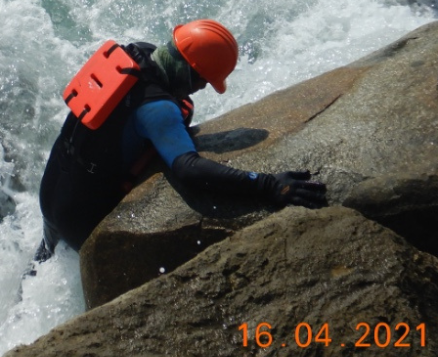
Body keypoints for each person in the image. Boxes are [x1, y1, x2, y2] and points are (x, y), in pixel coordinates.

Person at [35, 19, 326, 261]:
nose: (200, 89)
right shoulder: (158, 109)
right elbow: (189, 168)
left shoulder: (137, 54)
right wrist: (269, 185)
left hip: (51, 189)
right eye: (202, 82)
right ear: (190, 71)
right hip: (79, 215)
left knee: (43, 260)